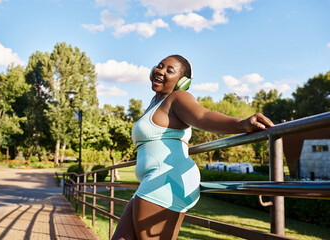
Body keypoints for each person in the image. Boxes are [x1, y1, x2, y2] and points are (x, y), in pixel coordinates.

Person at [112, 54, 274, 240]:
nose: (160, 71)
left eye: (169, 70)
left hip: (166, 180)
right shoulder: (154, 103)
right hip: (154, 181)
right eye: (159, 66)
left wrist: (241, 124)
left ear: (182, 82)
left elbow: (203, 116)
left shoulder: (178, 98)